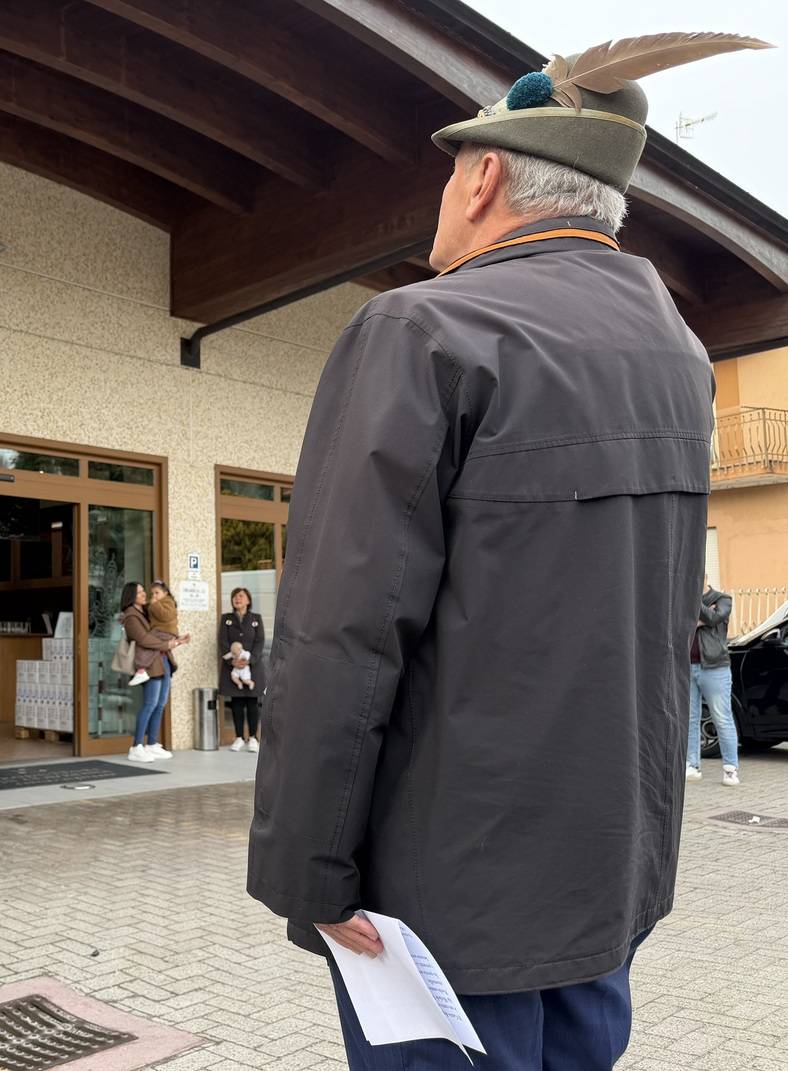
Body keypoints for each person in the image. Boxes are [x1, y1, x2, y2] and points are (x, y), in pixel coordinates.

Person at [248, 36, 736, 1070]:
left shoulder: (425, 330)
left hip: (444, 906)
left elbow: (341, 628)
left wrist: (309, 872)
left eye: (449, 175)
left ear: (483, 180)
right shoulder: (681, 359)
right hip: (607, 881)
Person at [118, 582, 183, 763]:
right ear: (131, 596)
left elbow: (161, 627)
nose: (144, 594)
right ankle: (136, 746)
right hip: (150, 664)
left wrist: (176, 639)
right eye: (140, 592)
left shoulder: (146, 611)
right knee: (150, 704)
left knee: (160, 704)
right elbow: (144, 639)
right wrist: (167, 644)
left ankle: (152, 744)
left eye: (143, 591)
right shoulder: (131, 616)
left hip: (162, 661)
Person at [688, 578, 738, 786]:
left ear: (705, 578)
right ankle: (692, 765)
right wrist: (699, 619)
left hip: (715, 667)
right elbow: (679, 624)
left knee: (722, 718)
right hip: (687, 667)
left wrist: (696, 610)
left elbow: (713, 618)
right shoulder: (684, 599)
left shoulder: (723, 599)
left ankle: (730, 769)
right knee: (690, 719)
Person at [220, 588, 264, 752]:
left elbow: (259, 642)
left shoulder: (256, 619)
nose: (237, 599)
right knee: (237, 702)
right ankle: (238, 737)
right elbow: (223, 641)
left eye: (241, 596)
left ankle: (253, 737)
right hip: (233, 667)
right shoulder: (227, 619)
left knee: (252, 703)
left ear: (248, 600)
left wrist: (250, 660)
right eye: (234, 596)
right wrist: (233, 661)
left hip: (252, 667)